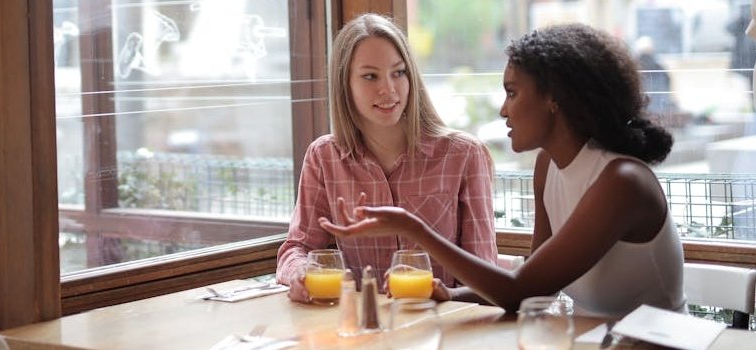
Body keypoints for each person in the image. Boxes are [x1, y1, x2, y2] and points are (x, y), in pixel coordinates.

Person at [320, 23, 687, 319]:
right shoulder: (550, 166)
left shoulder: (621, 183)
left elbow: (520, 292)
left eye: (512, 92)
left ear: (554, 98)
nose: (503, 110)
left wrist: (411, 227)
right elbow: (535, 285)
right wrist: (451, 295)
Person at [277, 13, 498, 303]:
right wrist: (302, 273)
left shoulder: (463, 155)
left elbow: (487, 277)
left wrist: (445, 294)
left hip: (440, 328)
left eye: (398, 72)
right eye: (370, 76)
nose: (389, 89)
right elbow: (297, 248)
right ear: (345, 84)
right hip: (357, 330)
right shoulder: (324, 157)